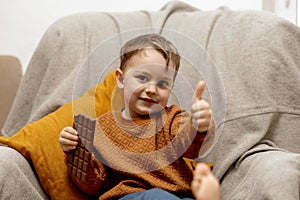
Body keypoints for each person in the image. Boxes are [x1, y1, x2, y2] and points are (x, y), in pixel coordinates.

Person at [59, 34, 219, 200]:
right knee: (155, 196)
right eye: (143, 78)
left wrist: (199, 124)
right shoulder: (103, 128)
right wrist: (75, 151)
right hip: (129, 196)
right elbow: (92, 185)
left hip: (177, 195)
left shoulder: (173, 118)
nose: (151, 89)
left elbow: (190, 143)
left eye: (162, 83)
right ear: (121, 79)